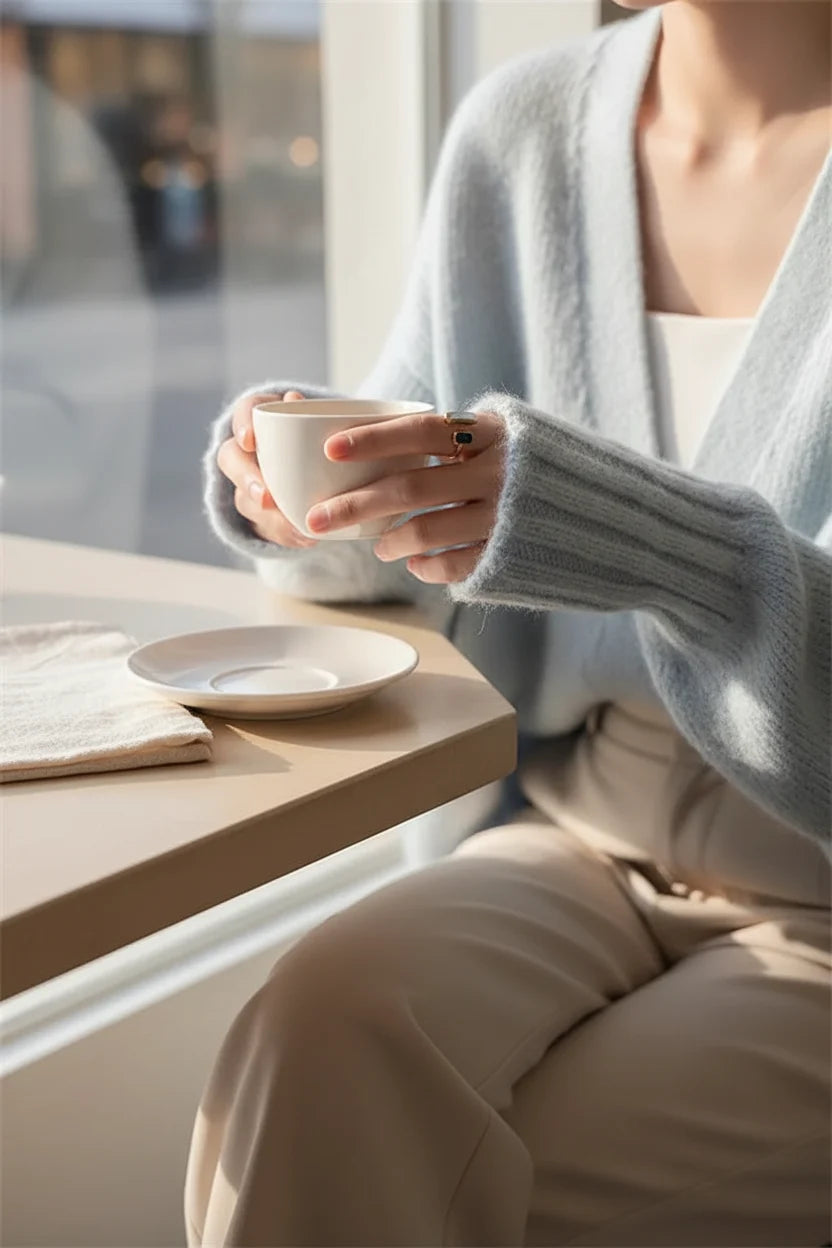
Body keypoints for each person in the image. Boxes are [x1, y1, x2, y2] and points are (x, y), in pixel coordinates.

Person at [186, 1, 831, 1243]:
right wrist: (308, 504)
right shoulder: (519, 132)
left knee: (463, 1176)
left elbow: (559, 510)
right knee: (309, 1040)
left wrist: (628, 531)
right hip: (580, 832)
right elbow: (428, 549)